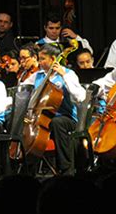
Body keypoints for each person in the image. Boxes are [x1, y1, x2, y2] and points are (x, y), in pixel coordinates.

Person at [21, 43, 86, 175]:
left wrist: (64, 76)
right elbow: (22, 91)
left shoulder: (68, 73)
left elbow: (80, 96)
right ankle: (27, 170)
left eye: (43, 59)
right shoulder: (38, 75)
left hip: (66, 118)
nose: (39, 62)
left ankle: (66, 169)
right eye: (39, 59)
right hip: (41, 118)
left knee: (57, 123)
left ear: (54, 59)